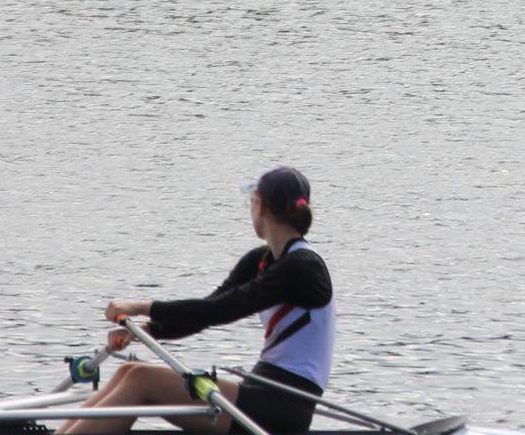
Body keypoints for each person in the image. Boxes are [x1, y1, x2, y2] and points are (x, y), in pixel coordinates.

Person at [57, 167, 336, 435]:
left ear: (260, 207)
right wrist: (145, 331)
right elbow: (205, 312)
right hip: (262, 391)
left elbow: (219, 310)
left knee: (141, 380)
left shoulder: (303, 267)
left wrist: (140, 307)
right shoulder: (261, 260)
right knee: (129, 370)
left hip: (285, 407)